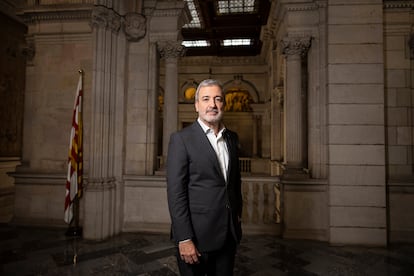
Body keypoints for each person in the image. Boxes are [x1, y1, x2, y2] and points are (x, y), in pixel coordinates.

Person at [166, 79, 243, 276]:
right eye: (206, 99)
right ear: (197, 105)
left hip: (228, 235)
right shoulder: (181, 139)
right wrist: (184, 238)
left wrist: (237, 215)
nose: (213, 105)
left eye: (218, 99)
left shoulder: (232, 138)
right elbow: (176, 193)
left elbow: (233, 182)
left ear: (223, 104)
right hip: (196, 238)